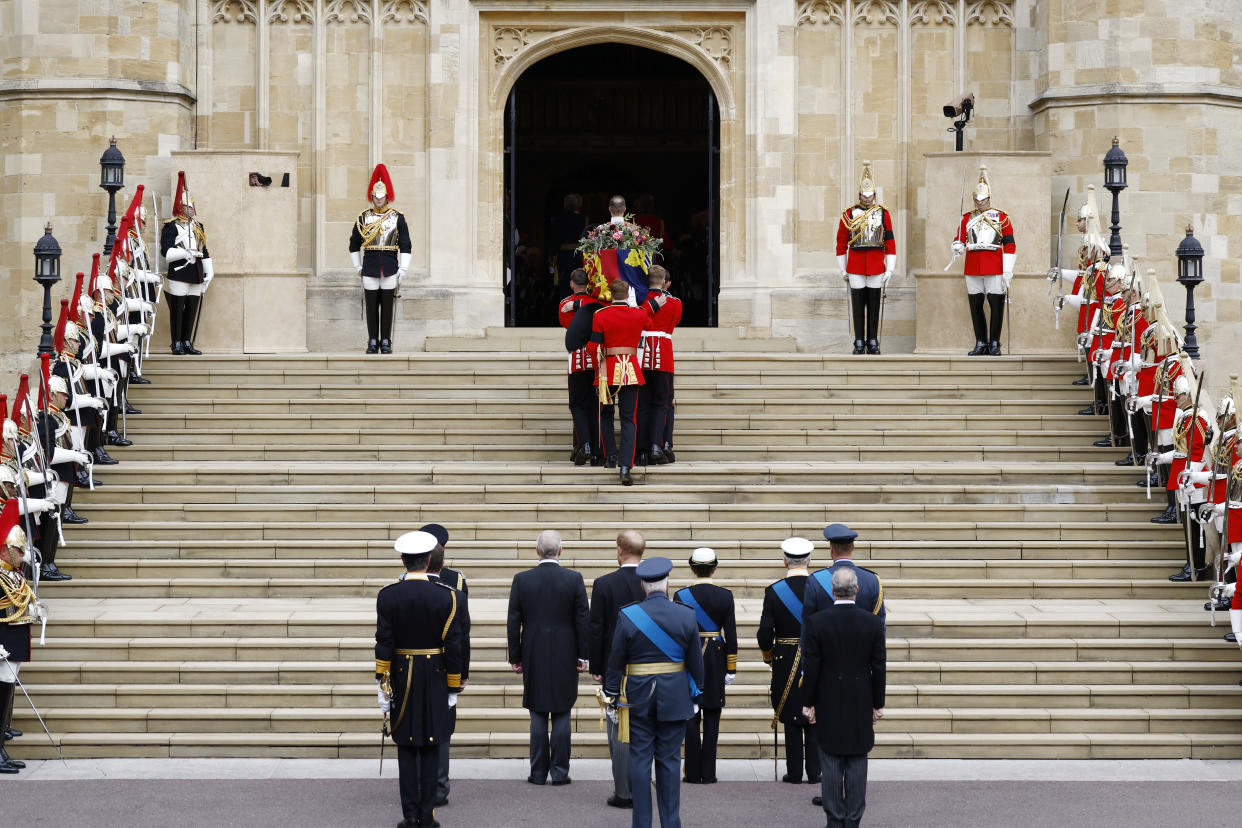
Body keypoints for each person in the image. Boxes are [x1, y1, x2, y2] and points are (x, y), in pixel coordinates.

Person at [602, 557, 705, 828]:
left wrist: (611, 694)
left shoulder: (628, 615)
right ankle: (671, 823)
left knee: (640, 760)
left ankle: (642, 823)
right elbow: (696, 662)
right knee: (670, 762)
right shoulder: (686, 614)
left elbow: (615, 661)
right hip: (675, 695)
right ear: (667, 583)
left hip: (638, 696)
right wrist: (697, 695)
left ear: (642, 585)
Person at [375, 530, 464, 828]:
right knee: (430, 744)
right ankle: (427, 816)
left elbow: (384, 642)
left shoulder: (388, 595)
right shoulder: (449, 596)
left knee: (406, 746)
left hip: (401, 676)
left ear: (403, 560)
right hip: (436, 677)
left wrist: (382, 684)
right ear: (428, 561)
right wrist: (453, 687)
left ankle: (410, 814)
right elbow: (454, 646)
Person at [801, 567, 886, 828]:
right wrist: (878, 703)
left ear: (832, 590)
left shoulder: (817, 622)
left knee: (831, 760)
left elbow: (812, 665)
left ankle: (835, 819)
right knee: (858, 759)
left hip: (828, 697)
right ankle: (853, 819)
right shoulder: (872, 623)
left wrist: (808, 702)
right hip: (860, 697)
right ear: (857, 591)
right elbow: (879, 665)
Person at [507, 529, 589, 786]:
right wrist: (584, 655)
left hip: (533, 649)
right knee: (563, 710)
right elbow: (583, 620)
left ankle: (538, 772)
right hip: (566, 649)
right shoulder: (574, 579)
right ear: (560, 551)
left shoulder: (522, 579)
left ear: (537, 551)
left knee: (538, 711)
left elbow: (513, 622)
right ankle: (560, 772)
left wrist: (515, 656)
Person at [589, 529, 646, 809]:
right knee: (644, 732)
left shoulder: (604, 583)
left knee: (618, 733)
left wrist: (597, 667)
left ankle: (624, 791)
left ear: (620, 550)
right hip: (649, 668)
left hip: (617, 670)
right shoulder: (655, 582)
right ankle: (641, 788)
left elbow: (597, 629)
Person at [756, 537, 820, 786]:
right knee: (814, 713)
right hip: (815, 657)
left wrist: (769, 655)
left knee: (791, 712)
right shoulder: (821, 589)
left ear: (785, 561)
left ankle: (794, 772)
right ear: (810, 561)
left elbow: (764, 634)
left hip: (784, 657)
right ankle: (815, 772)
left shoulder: (774, 591)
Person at [673, 547, 736, 785]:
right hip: (717, 658)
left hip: (689, 658)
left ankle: (692, 772)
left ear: (692, 568)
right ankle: (708, 773)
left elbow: (677, 634)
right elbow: (731, 634)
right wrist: (732, 668)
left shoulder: (681, 596)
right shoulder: (725, 595)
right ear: (715, 567)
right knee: (712, 716)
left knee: (690, 716)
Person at [591, 280, 658, 484]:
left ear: (611, 294)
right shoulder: (638, 313)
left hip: (609, 370)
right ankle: (625, 467)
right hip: (630, 370)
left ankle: (610, 456)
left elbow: (593, 346)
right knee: (629, 420)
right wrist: (635, 305)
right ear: (628, 294)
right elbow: (649, 325)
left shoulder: (600, 315)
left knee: (607, 415)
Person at [422, 523, 469, 809]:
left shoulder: (400, 584)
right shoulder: (456, 582)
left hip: (409, 669)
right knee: (441, 729)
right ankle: (439, 786)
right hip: (443, 667)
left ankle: (418, 786)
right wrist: (461, 672)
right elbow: (462, 635)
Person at [0, 498, 46, 774]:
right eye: (18, 549)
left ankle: (2, 750)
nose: (22, 554)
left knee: (6, 694)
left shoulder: (14, 575)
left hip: (15, 636)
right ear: (6, 550)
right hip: (2, 638)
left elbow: (21, 601)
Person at [951, 165, 1015, 356]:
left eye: (983, 199)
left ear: (989, 198)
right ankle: (981, 341)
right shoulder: (966, 218)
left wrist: (1007, 269)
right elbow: (960, 238)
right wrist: (957, 246)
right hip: (972, 265)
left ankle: (995, 342)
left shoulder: (1002, 217)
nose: (980, 203)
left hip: (994, 264)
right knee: (975, 306)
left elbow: (1010, 244)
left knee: (996, 305)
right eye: (977, 199)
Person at [349, 164, 412, 354]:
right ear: (372, 197)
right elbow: (354, 244)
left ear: (387, 196)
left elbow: (406, 244)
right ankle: (372, 340)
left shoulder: (397, 217)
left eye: (382, 196)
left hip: (390, 265)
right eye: (376, 196)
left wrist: (404, 269)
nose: (378, 199)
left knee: (387, 306)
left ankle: (386, 340)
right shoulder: (363, 218)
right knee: (371, 306)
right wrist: (357, 266)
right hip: (370, 266)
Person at [836, 161, 895, 355]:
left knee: (874, 304)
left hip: (877, 264)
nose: (867, 198)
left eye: (870, 195)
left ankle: (872, 340)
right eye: (864, 194)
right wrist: (843, 268)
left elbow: (889, 241)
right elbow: (841, 243)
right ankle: (859, 340)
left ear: (874, 195)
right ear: (859, 194)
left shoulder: (883, 213)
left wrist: (890, 268)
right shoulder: (849, 214)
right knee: (858, 304)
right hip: (856, 264)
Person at [160, 170, 214, 356]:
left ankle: (187, 341)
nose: (191, 209)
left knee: (192, 309)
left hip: (196, 272)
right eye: (187, 206)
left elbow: (204, 249)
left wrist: (209, 270)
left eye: (192, 206)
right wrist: (184, 252)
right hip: (179, 271)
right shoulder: (171, 226)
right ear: (180, 207)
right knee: (178, 309)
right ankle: (176, 342)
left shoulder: (199, 227)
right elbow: (166, 252)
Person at [558, 270, 605, 465]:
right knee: (594, 406)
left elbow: (564, 322)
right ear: (589, 284)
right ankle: (596, 450)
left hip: (576, 359)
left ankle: (583, 444)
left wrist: (576, 304)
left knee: (577, 404)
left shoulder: (565, 304)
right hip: (594, 358)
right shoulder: (596, 303)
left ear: (571, 285)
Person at [802, 524, 885, 630]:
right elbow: (879, 624)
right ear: (853, 548)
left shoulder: (815, 580)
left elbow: (807, 624)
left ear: (831, 549)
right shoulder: (873, 580)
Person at [638, 266, 681, 466]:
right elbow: (673, 323)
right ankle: (657, 445)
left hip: (641, 357)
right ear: (664, 282)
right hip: (663, 357)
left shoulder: (640, 301)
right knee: (661, 404)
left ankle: (643, 450)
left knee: (643, 405)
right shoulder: (674, 303)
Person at [549, 194, 587, 298]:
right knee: (580, 282)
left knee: (565, 284)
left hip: (564, 256)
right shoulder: (583, 219)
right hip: (579, 257)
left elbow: (554, 238)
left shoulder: (558, 219)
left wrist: (551, 255)